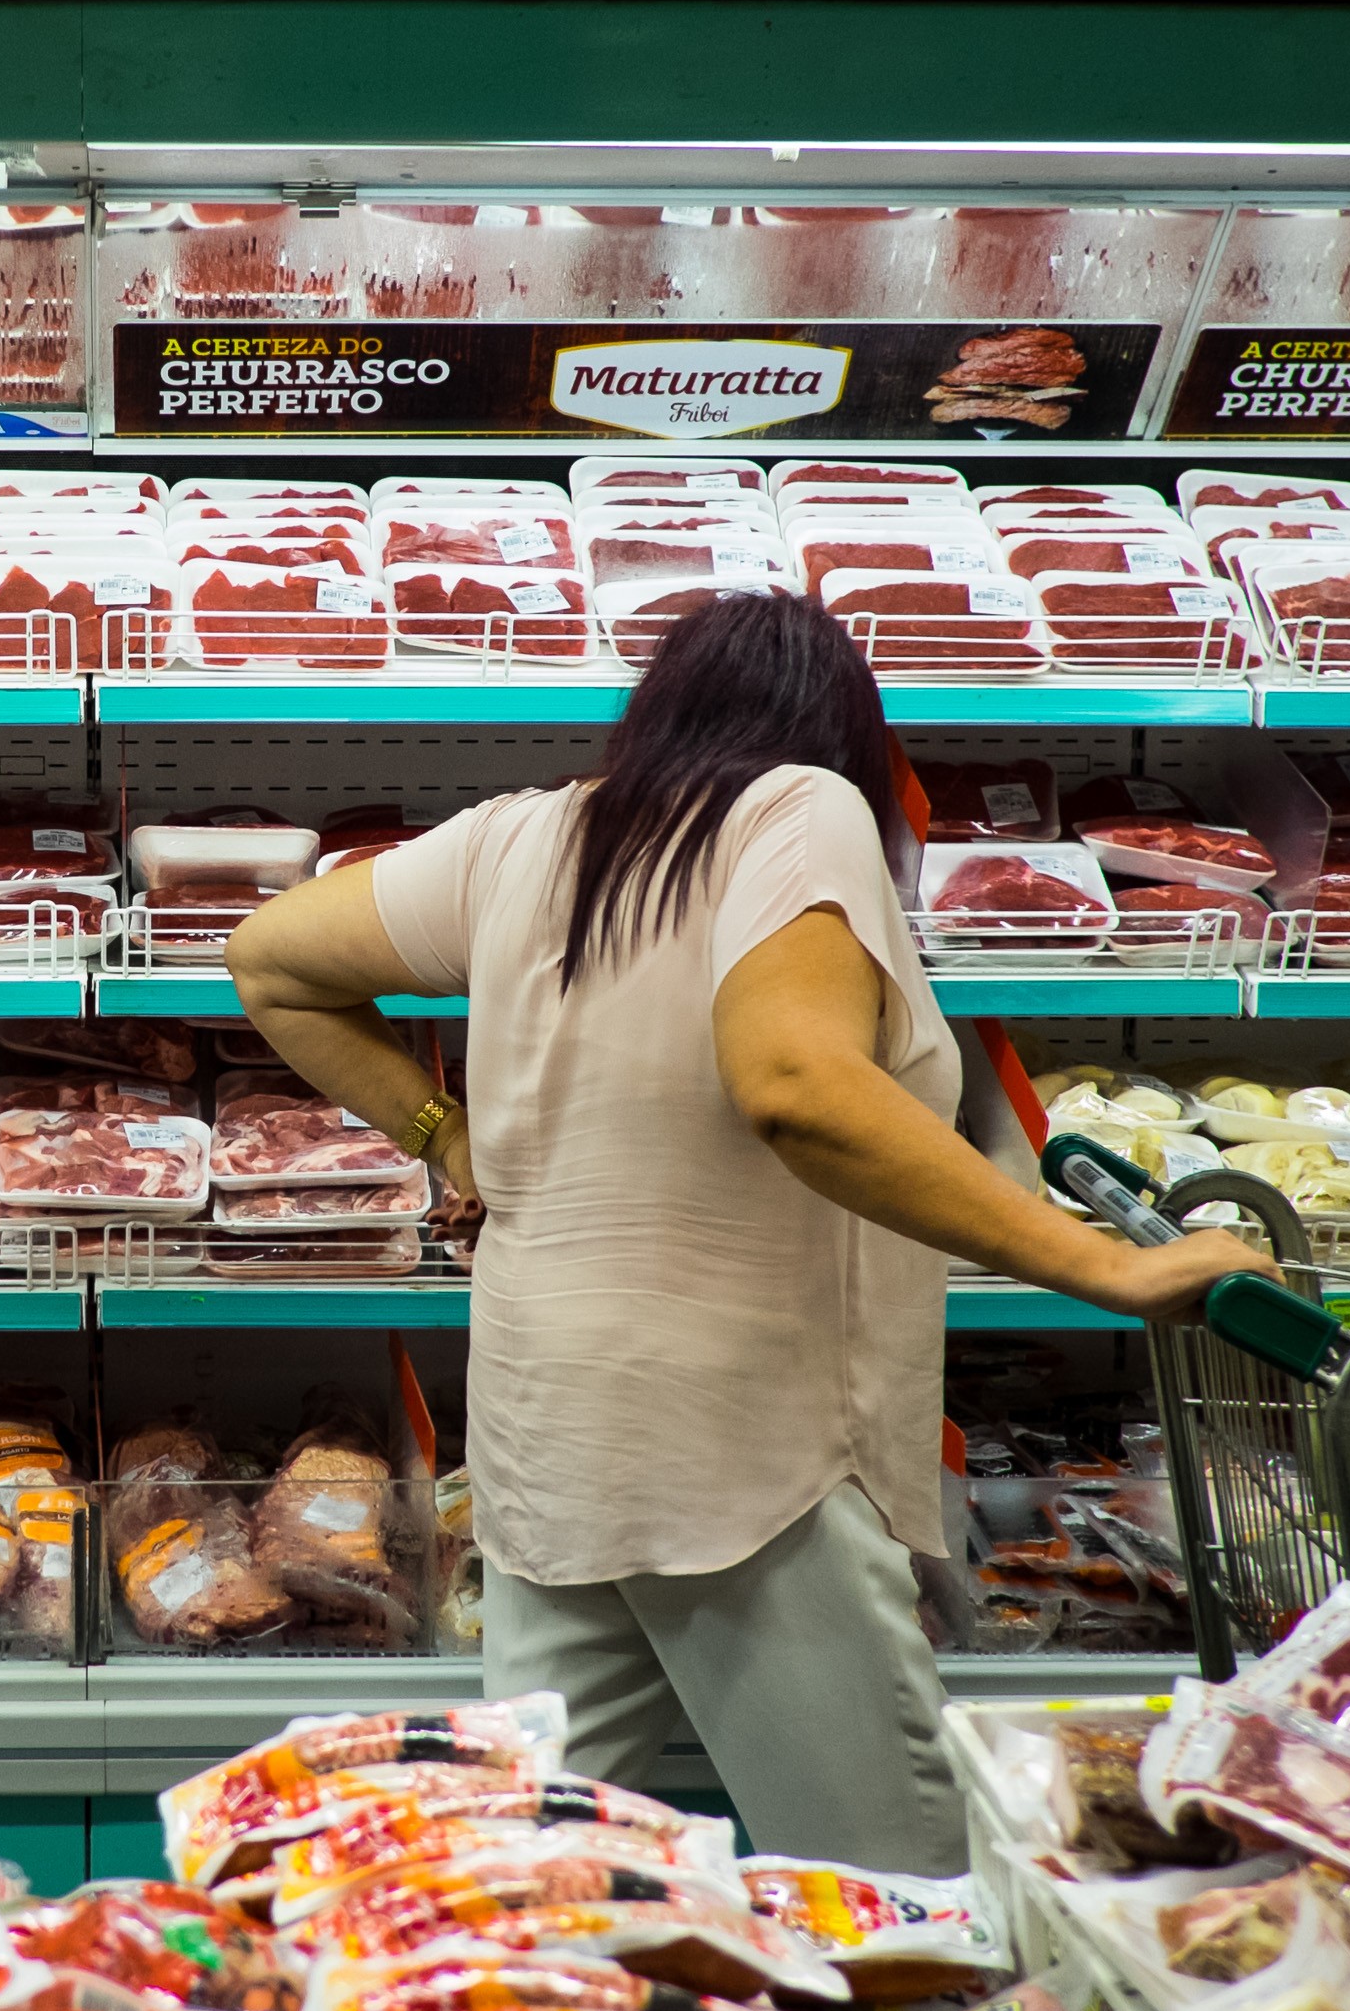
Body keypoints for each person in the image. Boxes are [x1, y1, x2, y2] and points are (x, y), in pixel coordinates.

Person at [224, 589, 1272, 1870]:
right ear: (847, 734)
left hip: (551, 1436)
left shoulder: (525, 838)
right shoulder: (799, 809)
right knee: (899, 1892)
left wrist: (445, 1133)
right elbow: (792, 1082)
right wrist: (1108, 1265)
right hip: (746, 1459)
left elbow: (270, 957)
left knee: (540, 1879)